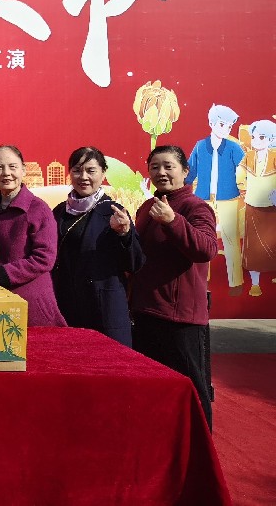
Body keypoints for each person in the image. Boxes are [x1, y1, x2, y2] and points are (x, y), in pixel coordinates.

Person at [131, 145, 218, 428]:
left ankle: (200, 442)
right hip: (146, 311)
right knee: (154, 387)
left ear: (185, 171)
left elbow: (206, 249)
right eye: (155, 167)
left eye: (168, 166)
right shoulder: (148, 207)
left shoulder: (195, 207)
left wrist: (172, 221)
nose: (161, 172)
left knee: (191, 388)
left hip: (181, 318)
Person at [51, 147, 145, 346]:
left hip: (104, 307)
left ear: (103, 173)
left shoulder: (114, 211)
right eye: (77, 170)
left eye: (91, 171)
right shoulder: (59, 212)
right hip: (67, 305)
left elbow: (135, 263)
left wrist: (125, 234)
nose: (83, 177)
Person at [0, 145, 66, 327]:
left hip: (30, 301)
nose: (6, 173)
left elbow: (44, 258)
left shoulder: (38, 209)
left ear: (23, 170)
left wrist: (0, 275)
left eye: (12, 167)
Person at [186, 104, 245, 295]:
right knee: (202, 239)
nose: (226, 129)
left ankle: (235, 283)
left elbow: (244, 171)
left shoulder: (234, 148)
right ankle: (202, 282)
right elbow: (190, 171)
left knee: (230, 239)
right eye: (222, 124)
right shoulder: (200, 146)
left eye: (229, 126)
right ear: (211, 123)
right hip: (203, 199)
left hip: (228, 199)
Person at [238, 119, 276, 296]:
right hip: (252, 205)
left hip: (273, 208)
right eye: (254, 137)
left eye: (261, 137)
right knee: (252, 248)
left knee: (273, 243)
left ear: (271, 139)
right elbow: (239, 175)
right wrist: (243, 190)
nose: (256, 140)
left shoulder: (275, 156)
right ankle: (255, 283)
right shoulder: (248, 156)